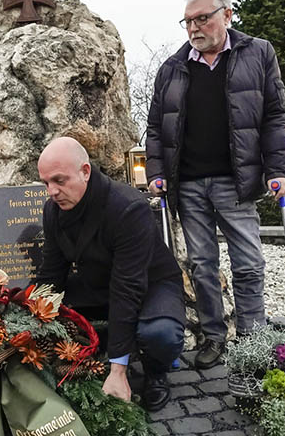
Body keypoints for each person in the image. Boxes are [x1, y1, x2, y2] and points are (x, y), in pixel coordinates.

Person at [146, 0, 285, 370]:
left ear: (227, 14)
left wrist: (279, 170)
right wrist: (157, 172)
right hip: (189, 184)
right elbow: (157, 128)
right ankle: (215, 335)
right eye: (187, 21)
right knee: (202, 266)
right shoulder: (172, 68)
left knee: (249, 263)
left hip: (236, 182)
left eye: (201, 18)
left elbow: (275, 116)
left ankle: (253, 338)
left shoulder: (258, 53)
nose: (194, 27)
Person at [35, 137, 184, 411]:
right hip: (99, 284)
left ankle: (155, 371)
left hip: (151, 284)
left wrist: (118, 372)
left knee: (159, 333)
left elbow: (128, 287)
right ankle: (94, 357)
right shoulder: (52, 211)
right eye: (46, 183)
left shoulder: (128, 208)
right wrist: (26, 316)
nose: (52, 191)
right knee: (58, 315)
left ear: (85, 171)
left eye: (59, 180)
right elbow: (52, 274)